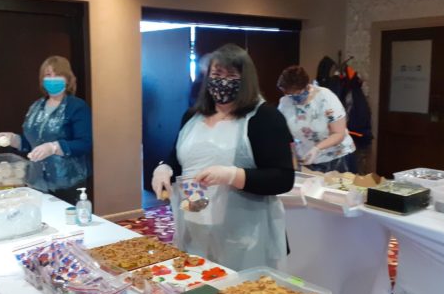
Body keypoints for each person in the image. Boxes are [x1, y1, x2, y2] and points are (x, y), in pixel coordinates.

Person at [151, 44, 295, 271]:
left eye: (231, 76)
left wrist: (233, 175)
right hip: (195, 224)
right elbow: (178, 158)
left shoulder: (265, 117)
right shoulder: (193, 116)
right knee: (199, 286)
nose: (222, 82)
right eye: (216, 75)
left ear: (246, 79)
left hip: (244, 232)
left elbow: (283, 178)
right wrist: (164, 168)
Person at [0, 56, 92, 203]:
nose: (52, 79)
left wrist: (54, 147)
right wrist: (14, 140)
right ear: (42, 80)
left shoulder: (77, 107)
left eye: (58, 74)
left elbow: (85, 143)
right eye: (48, 75)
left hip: (67, 182)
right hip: (37, 181)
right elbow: (32, 144)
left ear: (67, 79)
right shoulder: (36, 106)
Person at [277, 65, 356, 173]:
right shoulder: (285, 103)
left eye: (296, 93)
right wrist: (293, 157)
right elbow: (283, 134)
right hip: (307, 160)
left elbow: (339, 133)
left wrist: (316, 148)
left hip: (336, 158)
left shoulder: (325, 98)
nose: (292, 97)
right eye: (288, 94)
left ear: (306, 86)